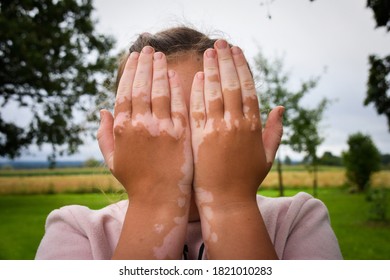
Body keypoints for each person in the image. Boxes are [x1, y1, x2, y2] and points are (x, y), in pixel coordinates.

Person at [35, 26, 343, 260]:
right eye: (160, 118)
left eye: (211, 117)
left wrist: (229, 202)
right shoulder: (76, 232)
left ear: (247, 129)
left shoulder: (298, 220)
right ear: (118, 134)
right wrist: (154, 202)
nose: (182, 143)